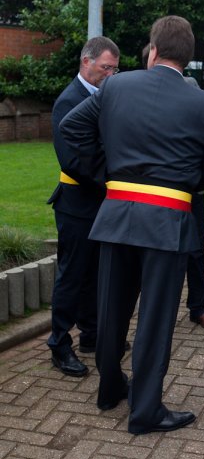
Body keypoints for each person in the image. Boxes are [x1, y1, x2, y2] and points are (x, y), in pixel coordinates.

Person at [59, 16, 204, 434]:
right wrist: (182, 183)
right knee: (155, 318)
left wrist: (110, 175)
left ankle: (109, 390)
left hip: (116, 213)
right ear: (187, 58)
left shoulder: (115, 86)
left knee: (111, 309)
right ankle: (146, 411)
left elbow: (71, 128)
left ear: (153, 50)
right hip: (168, 221)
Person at [47, 36, 121, 377]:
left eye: (114, 69)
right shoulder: (69, 100)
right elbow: (73, 160)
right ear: (86, 62)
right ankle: (59, 344)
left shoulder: (104, 97)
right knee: (72, 276)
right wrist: (110, 180)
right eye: (105, 67)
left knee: (95, 274)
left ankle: (91, 335)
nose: (110, 74)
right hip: (76, 205)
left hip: (98, 203)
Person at [141, 43, 204, 331]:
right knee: (151, 252)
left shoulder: (190, 89)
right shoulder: (138, 95)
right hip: (150, 192)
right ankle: (154, 310)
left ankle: (198, 308)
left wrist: (195, 182)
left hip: (188, 192)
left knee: (195, 251)